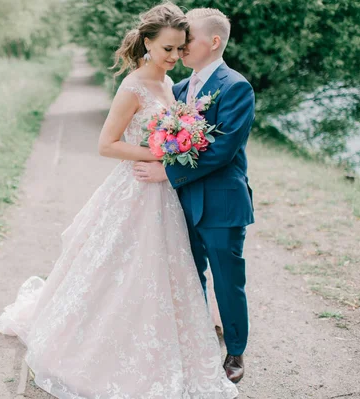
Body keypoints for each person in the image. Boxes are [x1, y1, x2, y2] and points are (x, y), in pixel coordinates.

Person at [0, 3, 239, 398]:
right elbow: (107, 145)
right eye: (168, 50)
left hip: (165, 191)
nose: (176, 57)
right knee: (122, 265)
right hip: (137, 187)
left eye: (180, 49)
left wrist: (174, 154)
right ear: (147, 44)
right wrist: (159, 155)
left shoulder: (172, 86)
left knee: (167, 267)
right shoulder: (133, 86)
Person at [133, 8, 256, 384]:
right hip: (180, 203)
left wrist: (166, 173)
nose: (182, 46)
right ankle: (201, 341)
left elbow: (222, 150)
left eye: (190, 40)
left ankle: (235, 351)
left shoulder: (237, 87)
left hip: (220, 202)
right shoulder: (180, 88)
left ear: (214, 42)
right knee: (189, 276)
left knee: (227, 279)